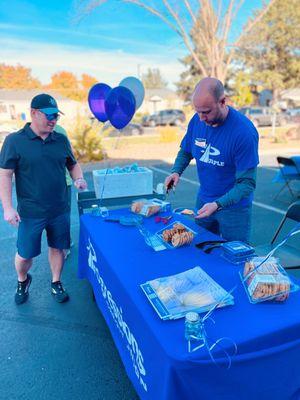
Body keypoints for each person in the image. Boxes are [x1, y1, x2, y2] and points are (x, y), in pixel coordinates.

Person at [0, 93, 87, 304]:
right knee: (25, 255)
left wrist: (79, 178)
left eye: (56, 115)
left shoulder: (61, 139)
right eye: (48, 115)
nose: (53, 120)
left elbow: (72, 164)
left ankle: (56, 282)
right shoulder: (14, 141)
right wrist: (8, 208)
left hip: (59, 208)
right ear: (33, 113)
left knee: (58, 247)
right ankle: (23, 280)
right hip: (30, 212)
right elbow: (5, 174)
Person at [165, 77, 259, 243]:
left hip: (234, 209)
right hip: (204, 200)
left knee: (235, 257)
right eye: (198, 111)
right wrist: (176, 171)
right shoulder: (197, 120)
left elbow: (247, 184)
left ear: (222, 102)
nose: (201, 118)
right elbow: (187, 150)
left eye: (206, 112)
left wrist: (218, 204)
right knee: (202, 248)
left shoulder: (244, 133)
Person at [54, 124, 73, 259]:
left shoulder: (60, 130)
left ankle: (65, 245)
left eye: (56, 116)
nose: (53, 119)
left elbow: (70, 155)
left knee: (63, 216)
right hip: (44, 186)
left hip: (64, 183)